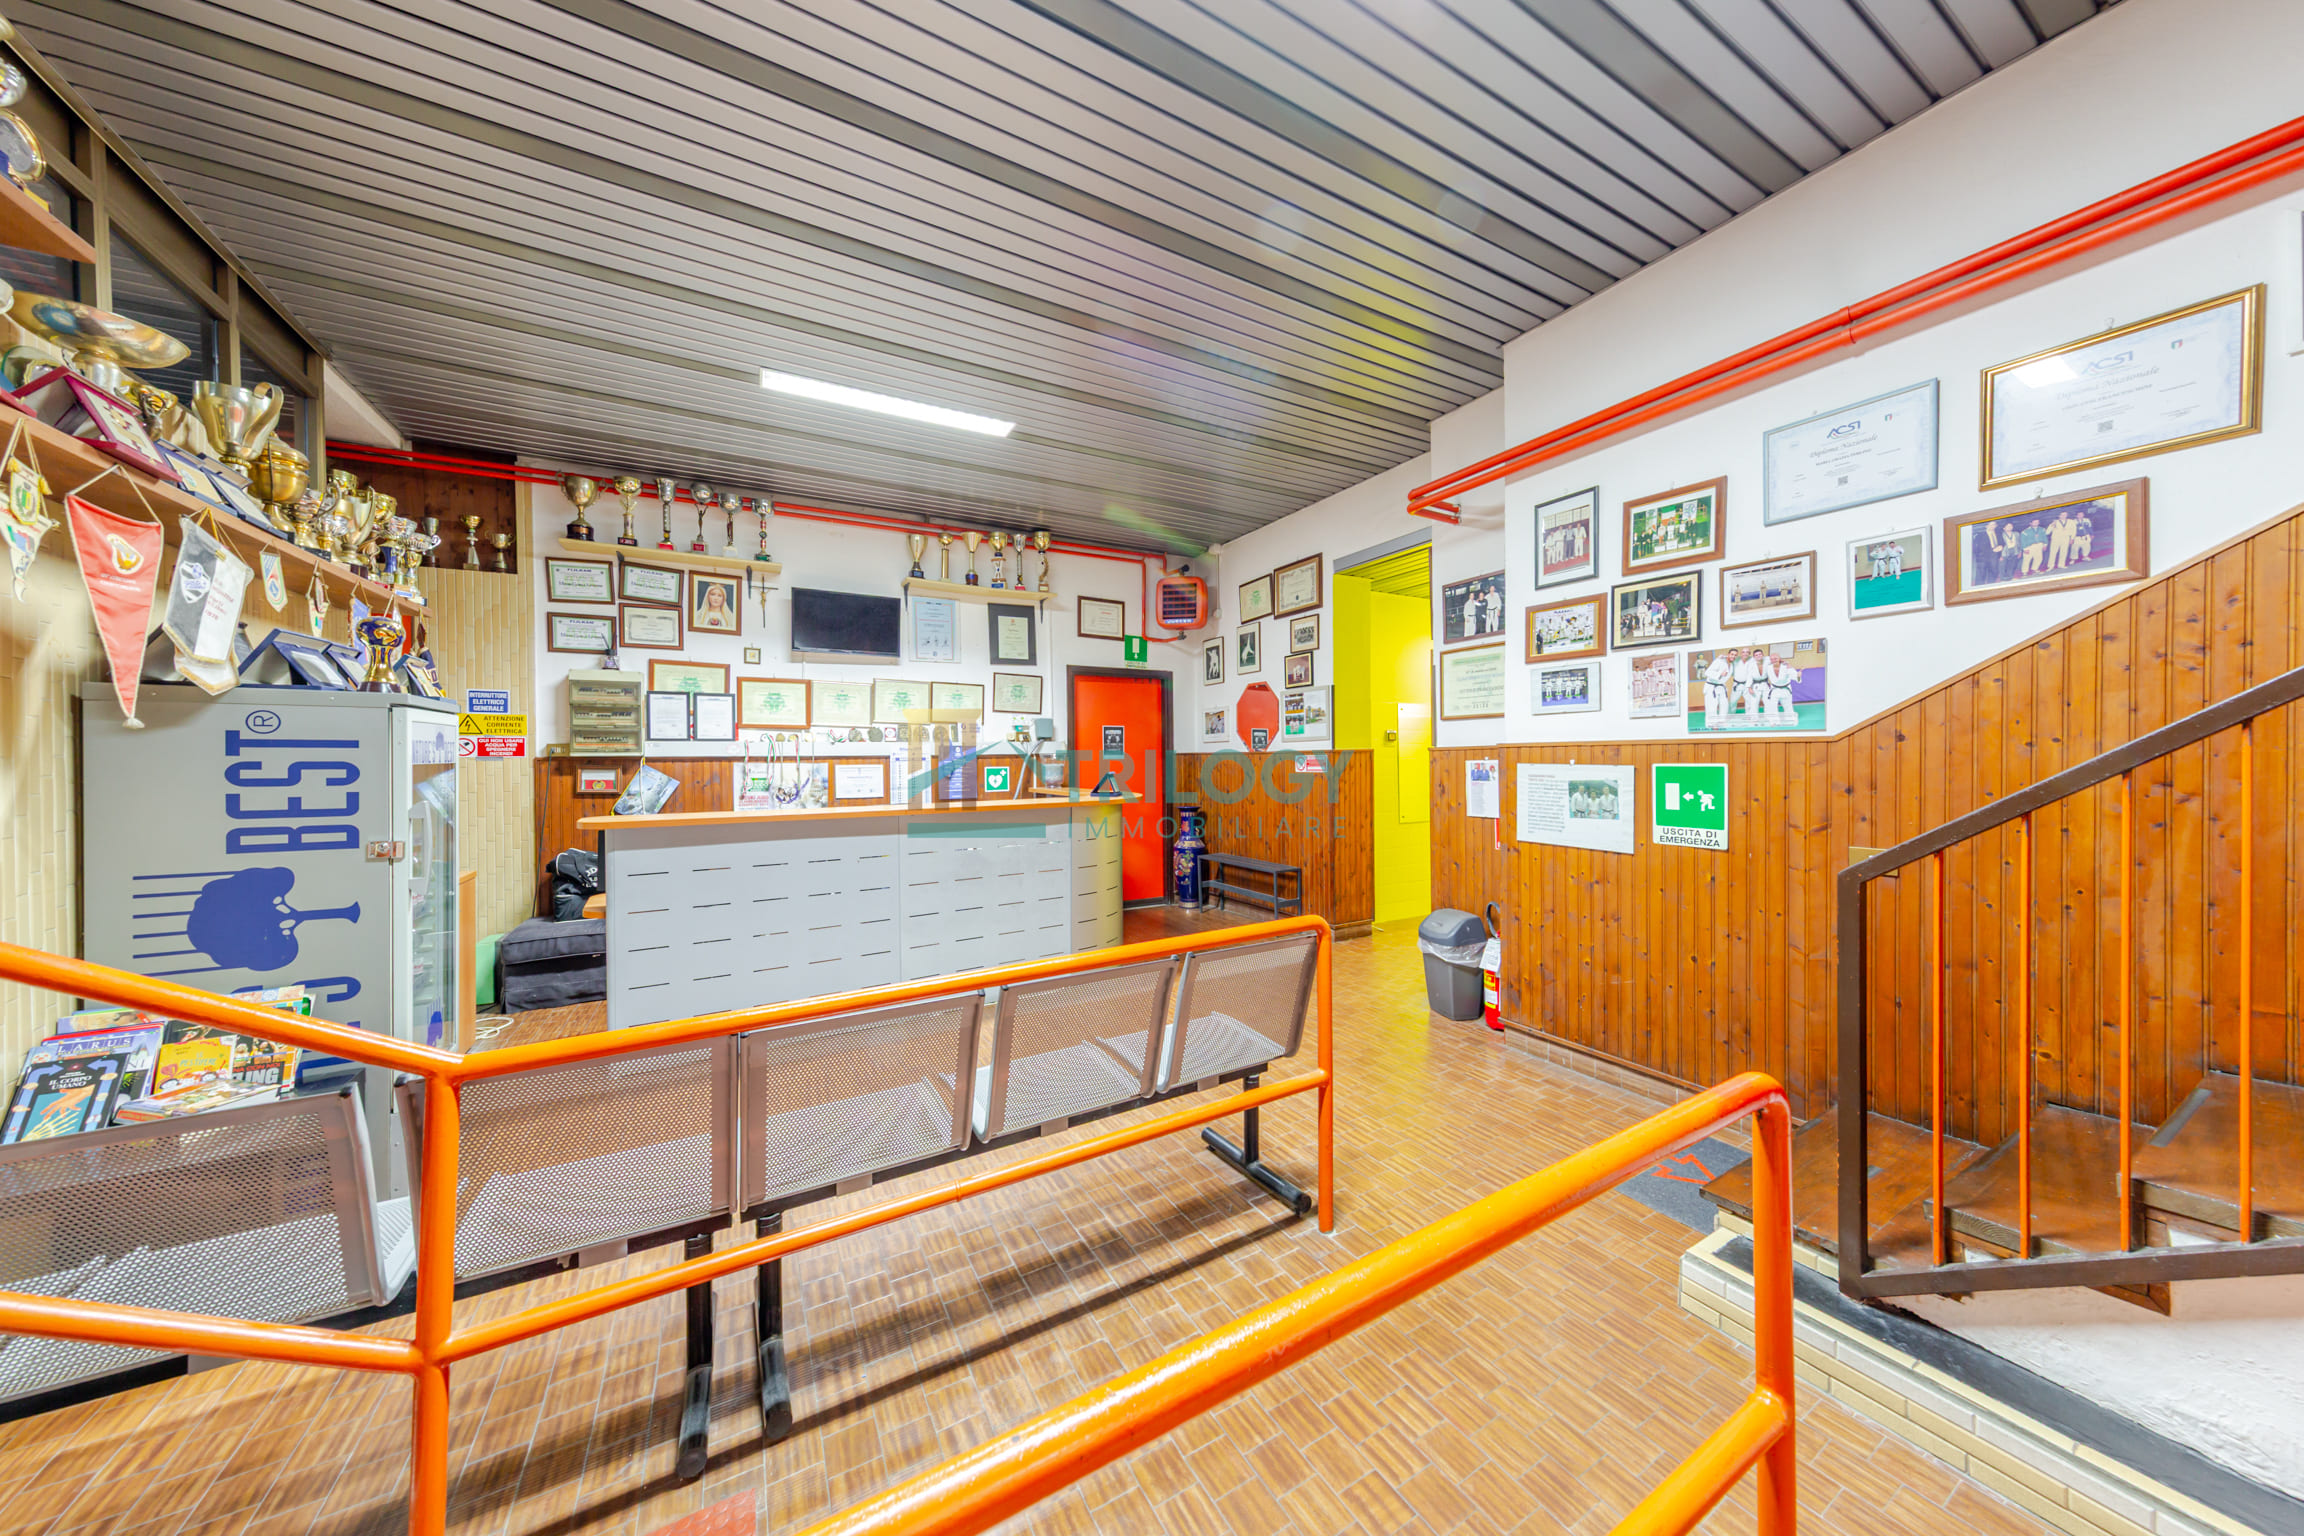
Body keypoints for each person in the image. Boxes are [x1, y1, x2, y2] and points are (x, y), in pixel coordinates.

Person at [1703, 649, 1732, 729]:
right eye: (1732, 654)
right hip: (1711, 687)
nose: (1733, 656)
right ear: (1728, 654)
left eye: (1735, 655)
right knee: (1711, 706)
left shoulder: (1731, 664)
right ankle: (1712, 724)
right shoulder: (1719, 661)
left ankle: (1721, 722)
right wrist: (1720, 674)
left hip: (1721, 686)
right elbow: (1707, 672)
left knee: (1724, 705)